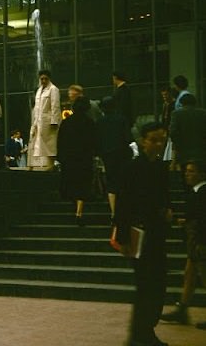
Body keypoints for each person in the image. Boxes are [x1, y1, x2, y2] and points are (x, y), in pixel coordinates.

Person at [113, 122, 171, 346]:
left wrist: (168, 209)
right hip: (139, 233)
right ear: (143, 141)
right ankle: (140, 334)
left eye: (162, 139)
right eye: (154, 139)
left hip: (157, 233)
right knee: (146, 285)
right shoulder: (133, 168)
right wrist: (123, 238)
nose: (159, 144)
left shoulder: (160, 167)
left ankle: (144, 332)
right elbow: (123, 204)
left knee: (155, 285)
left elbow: (164, 196)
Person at [161, 160, 206, 330]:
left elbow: (202, 219)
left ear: (201, 174)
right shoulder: (197, 192)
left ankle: (182, 309)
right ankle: (182, 308)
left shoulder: (202, 193)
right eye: (187, 171)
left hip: (200, 242)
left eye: (191, 171)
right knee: (190, 274)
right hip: (196, 241)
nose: (187, 174)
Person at [56, 97, 96, 226]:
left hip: (69, 159)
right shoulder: (90, 123)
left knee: (72, 183)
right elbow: (94, 142)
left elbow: (60, 141)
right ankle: (79, 212)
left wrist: (60, 157)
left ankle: (74, 208)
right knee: (83, 184)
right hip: (84, 158)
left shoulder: (67, 122)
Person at [96, 96, 133, 219]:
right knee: (123, 181)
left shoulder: (100, 122)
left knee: (111, 182)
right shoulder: (121, 119)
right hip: (122, 154)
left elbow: (98, 141)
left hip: (107, 155)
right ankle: (125, 209)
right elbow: (128, 137)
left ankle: (113, 212)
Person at [29, 70, 61, 170]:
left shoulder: (53, 89)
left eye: (45, 78)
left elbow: (55, 106)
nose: (43, 80)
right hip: (39, 121)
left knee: (50, 144)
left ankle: (51, 164)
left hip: (48, 121)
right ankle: (35, 164)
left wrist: (54, 121)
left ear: (49, 78)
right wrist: (34, 123)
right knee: (36, 143)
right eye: (41, 79)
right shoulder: (39, 90)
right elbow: (37, 108)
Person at [169, 93, 206, 170]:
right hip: (202, 152)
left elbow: (173, 133)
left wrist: (179, 145)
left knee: (186, 175)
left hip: (183, 153)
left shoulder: (176, 114)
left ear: (182, 103)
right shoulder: (203, 113)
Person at [159, 87, 176, 162]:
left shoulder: (174, 104)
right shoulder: (165, 104)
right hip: (165, 127)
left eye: (166, 95)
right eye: (163, 95)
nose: (164, 97)